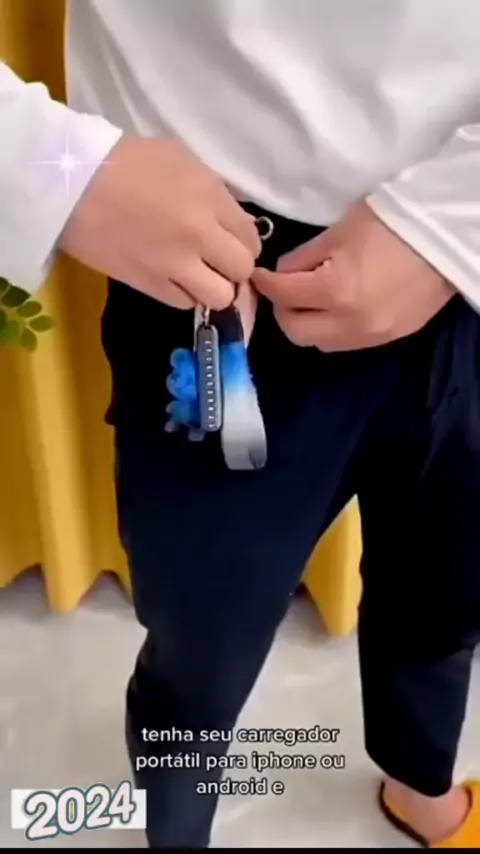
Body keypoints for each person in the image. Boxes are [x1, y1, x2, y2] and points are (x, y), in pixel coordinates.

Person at [1, 0, 480, 847]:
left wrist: (456, 218)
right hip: (218, 280)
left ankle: (421, 784)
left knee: (447, 587)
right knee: (202, 647)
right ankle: (175, 833)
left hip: (466, 255)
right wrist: (51, 162)